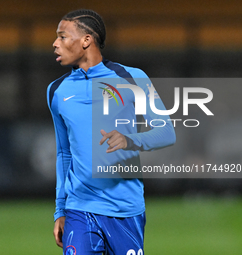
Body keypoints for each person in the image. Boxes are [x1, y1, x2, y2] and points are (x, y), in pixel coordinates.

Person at [47, 9, 176, 255]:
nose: (55, 44)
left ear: (86, 40)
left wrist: (130, 140)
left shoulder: (132, 78)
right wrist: (60, 210)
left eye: (63, 37)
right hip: (80, 209)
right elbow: (64, 153)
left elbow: (167, 133)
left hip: (125, 209)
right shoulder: (56, 91)